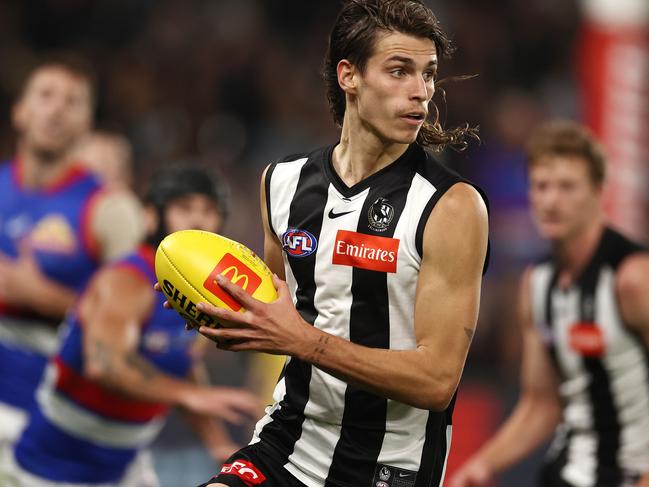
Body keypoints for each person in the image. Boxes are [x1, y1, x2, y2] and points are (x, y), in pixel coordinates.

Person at [174, 1, 490, 486]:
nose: (420, 92)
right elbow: (275, 313)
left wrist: (302, 341)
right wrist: (221, 315)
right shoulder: (280, 183)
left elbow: (437, 381)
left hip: (389, 468)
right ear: (349, 76)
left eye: (427, 74)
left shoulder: (452, 207)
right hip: (288, 440)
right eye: (399, 71)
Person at [2, 164, 260, 486]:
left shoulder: (195, 292)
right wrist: (186, 394)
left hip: (124, 466)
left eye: (209, 211)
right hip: (51, 467)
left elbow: (184, 364)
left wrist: (216, 441)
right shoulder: (126, 279)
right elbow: (105, 363)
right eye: (184, 208)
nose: (198, 221)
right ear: (151, 216)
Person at [449, 121, 649, 487]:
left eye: (567, 187)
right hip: (566, 473)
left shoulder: (632, 278)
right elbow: (542, 403)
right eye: (541, 186)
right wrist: (483, 465)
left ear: (598, 191)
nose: (551, 200)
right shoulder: (536, 284)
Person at [0, 55, 143, 444]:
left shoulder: (111, 210)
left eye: (72, 101)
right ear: (20, 112)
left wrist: (43, 296)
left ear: (87, 123)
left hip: (59, 426)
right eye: (46, 95)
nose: (57, 110)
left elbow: (137, 324)